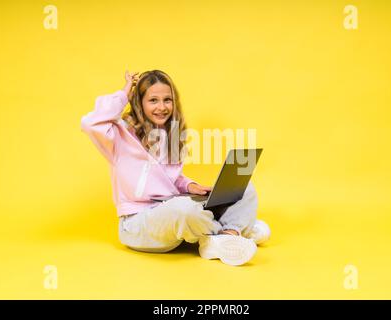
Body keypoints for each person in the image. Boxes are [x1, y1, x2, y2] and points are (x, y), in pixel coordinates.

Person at [80, 69, 271, 266]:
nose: (162, 107)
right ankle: (237, 230)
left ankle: (225, 235)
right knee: (184, 209)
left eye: (167, 100)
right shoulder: (118, 135)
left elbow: (171, 178)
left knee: (244, 188)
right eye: (153, 100)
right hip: (139, 224)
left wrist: (190, 186)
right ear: (139, 102)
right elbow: (90, 122)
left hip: (171, 207)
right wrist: (124, 94)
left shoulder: (170, 135)